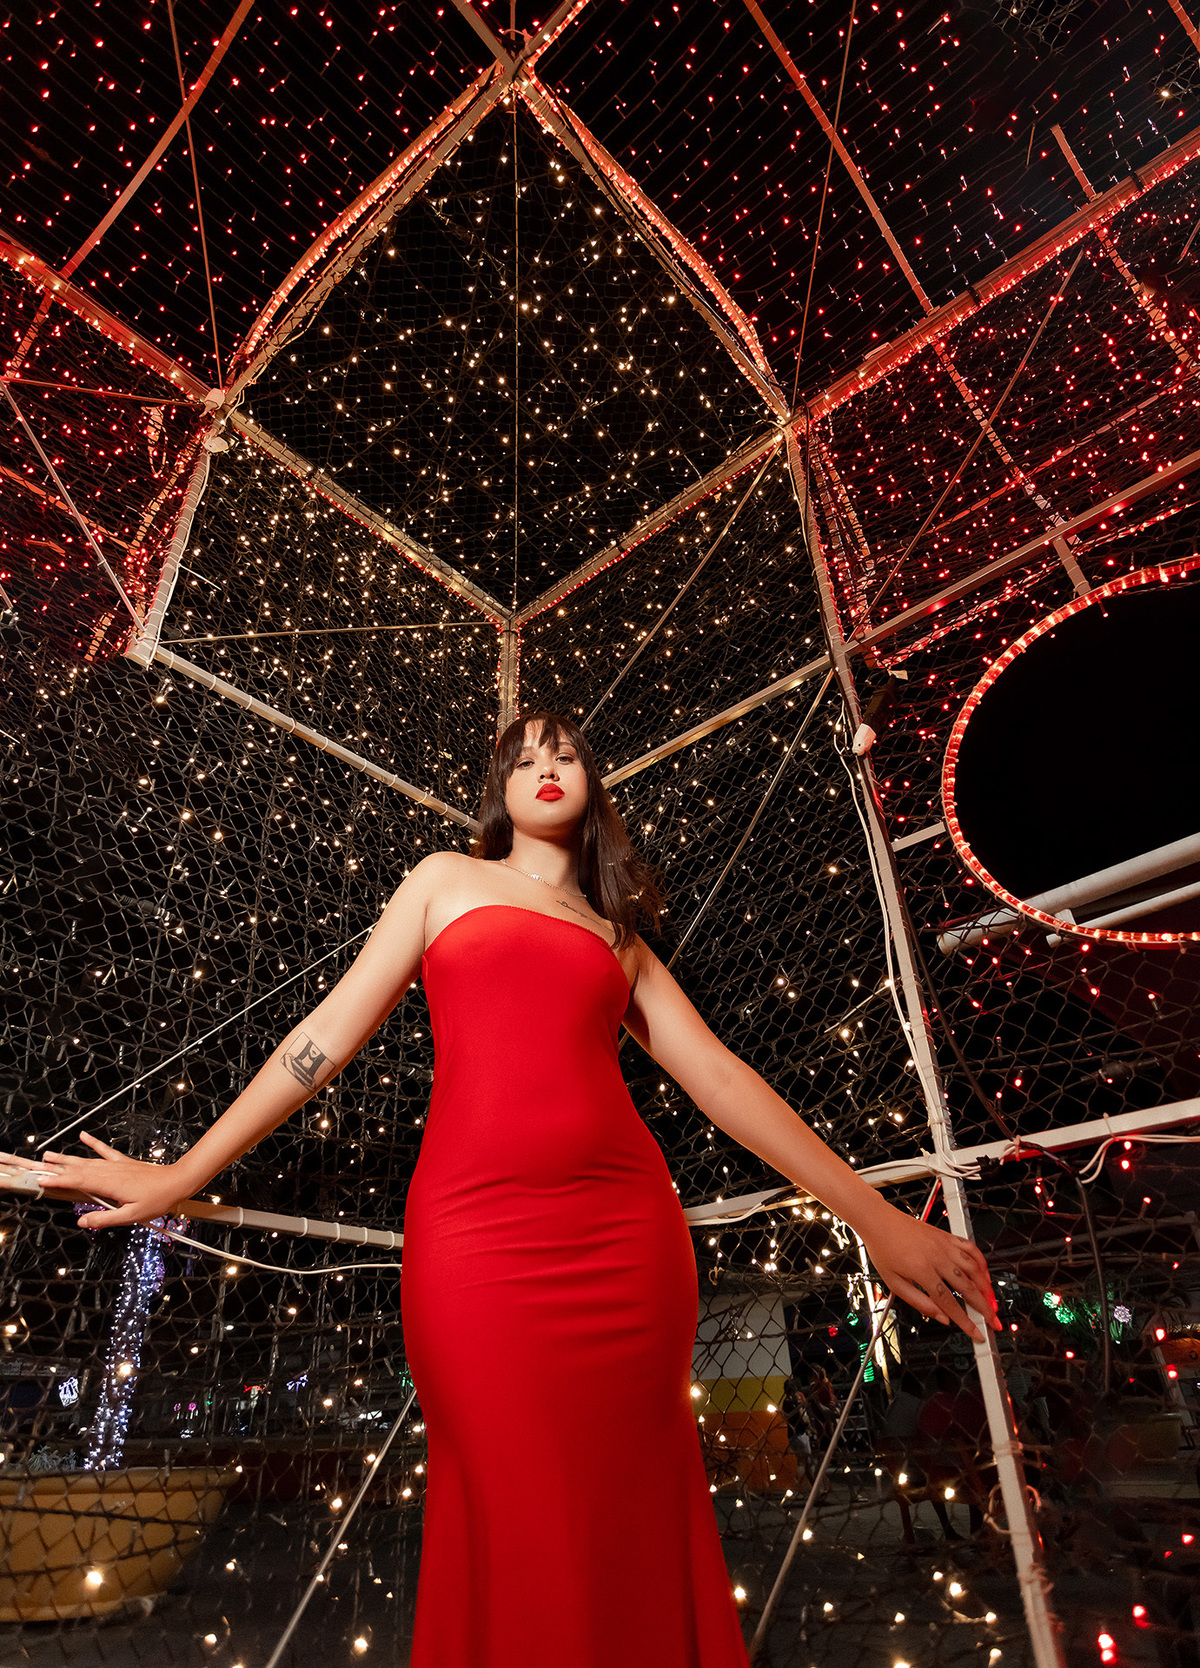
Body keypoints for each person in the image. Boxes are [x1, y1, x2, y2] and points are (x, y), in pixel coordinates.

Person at [23, 710, 1000, 1668]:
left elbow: (723, 1080)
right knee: (511, 1504)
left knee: (631, 1515)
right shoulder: (443, 880)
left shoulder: (619, 939)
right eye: (523, 758)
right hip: (475, 1243)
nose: (546, 766)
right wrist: (185, 1173)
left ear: (592, 786)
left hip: (626, 1242)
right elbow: (321, 1040)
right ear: (498, 792)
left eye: (565, 754)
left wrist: (874, 1218)